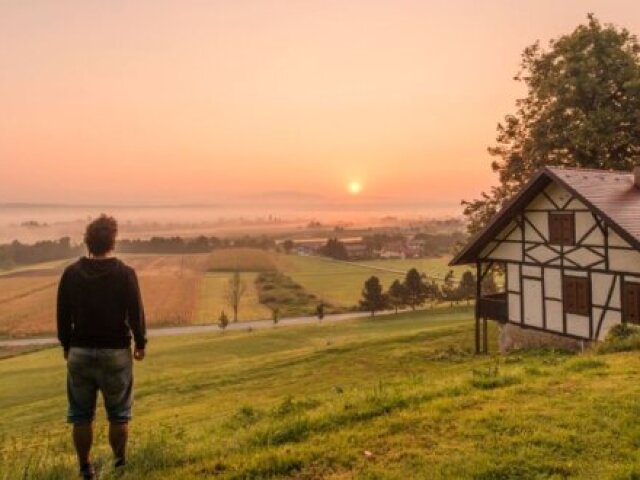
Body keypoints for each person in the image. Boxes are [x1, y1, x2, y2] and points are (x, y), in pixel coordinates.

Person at [57, 214, 146, 479]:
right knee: (119, 414)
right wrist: (140, 343)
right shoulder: (125, 273)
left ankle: (86, 469)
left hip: (80, 352)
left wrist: (66, 345)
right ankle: (119, 466)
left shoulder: (71, 273)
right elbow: (136, 313)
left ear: (87, 242)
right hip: (116, 352)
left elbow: (62, 314)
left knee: (81, 415)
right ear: (113, 241)